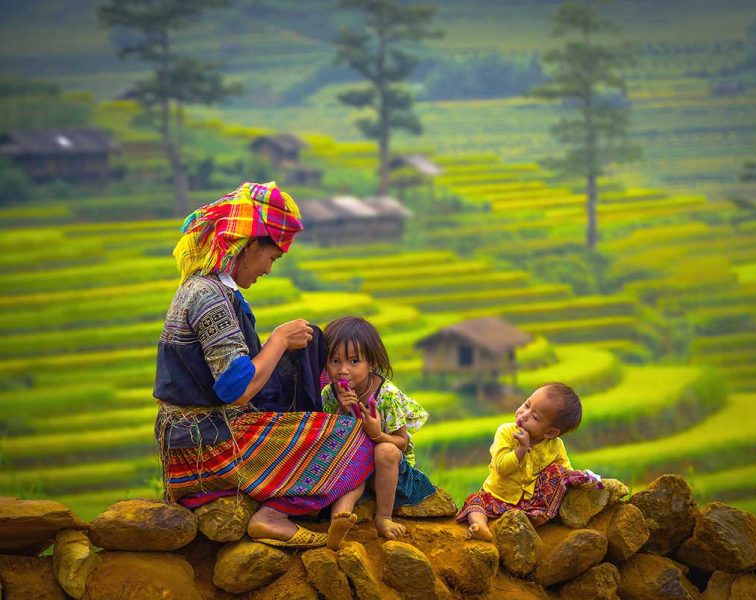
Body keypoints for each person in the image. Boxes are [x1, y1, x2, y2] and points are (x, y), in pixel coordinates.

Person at [154, 181, 373, 550]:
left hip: (201, 435)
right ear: (250, 245)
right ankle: (275, 516)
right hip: (208, 444)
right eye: (271, 258)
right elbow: (236, 389)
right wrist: (277, 341)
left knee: (310, 347)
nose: (269, 270)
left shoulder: (209, 289)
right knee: (356, 439)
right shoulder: (209, 296)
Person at [321, 316, 436, 541]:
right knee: (352, 461)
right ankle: (338, 523)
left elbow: (401, 443)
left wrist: (377, 434)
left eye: (354, 361)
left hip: (391, 468)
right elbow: (335, 439)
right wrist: (344, 412)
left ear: (371, 363)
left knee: (384, 450)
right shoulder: (329, 395)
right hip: (357, 467)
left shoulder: (386, 395)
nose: (343, 370)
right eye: (334, 361)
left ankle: (384, 517)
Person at [456, 382, 594, 541]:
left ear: (550, 432)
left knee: (558, 473)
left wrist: (576, 476)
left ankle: (533, 520)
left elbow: (564, 469)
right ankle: (481, 527)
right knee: (476, 504)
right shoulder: (506, 432)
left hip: (529, 503)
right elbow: (501, 467)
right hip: (496, 497)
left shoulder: (555, 446)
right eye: (526, 405)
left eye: (535, 417)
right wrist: (521, 449)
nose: (524, 414)